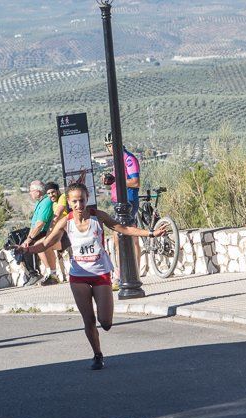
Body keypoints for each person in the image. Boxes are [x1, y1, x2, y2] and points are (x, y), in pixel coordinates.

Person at [20, 182, 167, 369]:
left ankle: (101, 329)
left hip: (100, 274)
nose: (79, 205)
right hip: (78, 275)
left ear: (87, 198)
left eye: (81, 200)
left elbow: (124, 229)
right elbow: (47, 242)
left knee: (105, 323)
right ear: (70, 203)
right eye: (74, 201)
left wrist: (151, 233)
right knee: (88, 319)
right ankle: (97, 355)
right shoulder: (67, 222)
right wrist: (27, 248)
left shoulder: (98, 217)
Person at [104, 132, 142, 290]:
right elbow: (118, 180)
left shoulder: (128, 159)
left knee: (120, 237)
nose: (111, 148)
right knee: (129, 238)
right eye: (109, 146)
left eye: (112, 145)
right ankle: (133, 272)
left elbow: (135, 182)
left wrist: (117, 180)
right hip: (118, 201)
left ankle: (123, 275)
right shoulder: (117, 161)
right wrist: (109, 180)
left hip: (128, 201)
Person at [20, 180, 57, 286]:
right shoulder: (39, 203)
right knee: (22, 245)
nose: (30, 193)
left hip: (46, 232)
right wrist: (28, 237)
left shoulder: (46, 202)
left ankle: (46, 273)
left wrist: (29, 239)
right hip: (39, 233)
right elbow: (35, 224)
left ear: (38, 191)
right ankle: (34, 274)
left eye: (31, 191)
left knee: (33, 245)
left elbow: (40, 223)